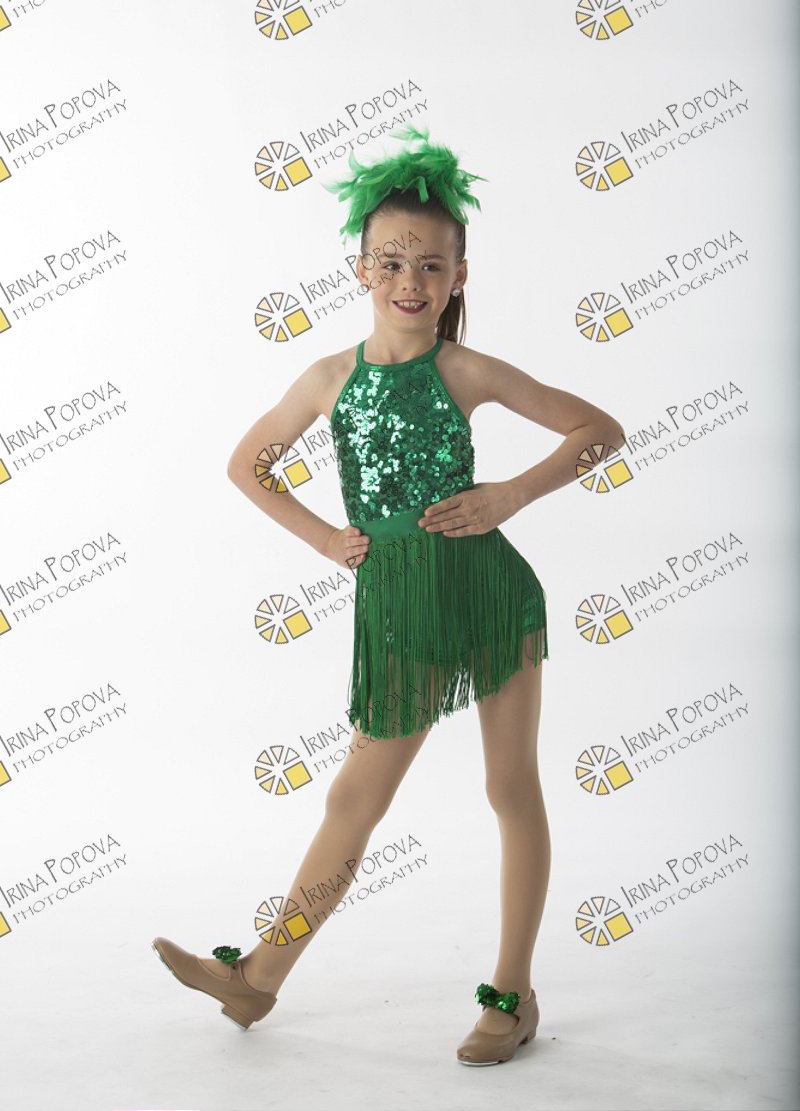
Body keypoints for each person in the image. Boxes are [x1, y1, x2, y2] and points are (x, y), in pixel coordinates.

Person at [152, 124, 626, 1065]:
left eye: (432, 265)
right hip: (398, 609)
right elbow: (248, 465)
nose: (411, 280)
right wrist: (327, 537)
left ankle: (513, 995)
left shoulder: (467, 371)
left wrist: (509, 495)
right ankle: (259, 976)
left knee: (508, 785)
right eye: (393, 262)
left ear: (459, 276)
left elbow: (598, 429)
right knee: (352, 798)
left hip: (490, 598)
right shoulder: (329, 378)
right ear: (361, 268)